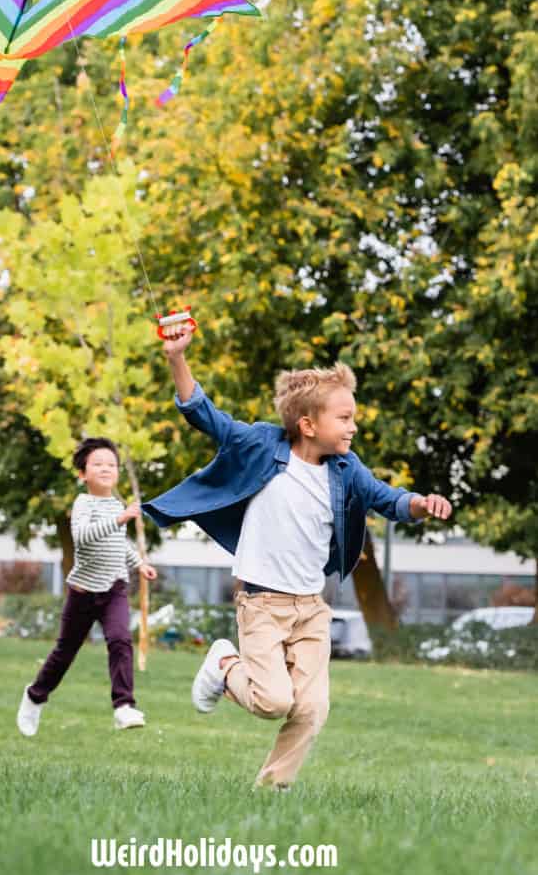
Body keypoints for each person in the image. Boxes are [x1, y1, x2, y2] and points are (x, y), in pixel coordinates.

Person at [143, 326, 452, 790]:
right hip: (261, 603)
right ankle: (224, 666)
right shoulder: (260, 446)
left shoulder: (347, 470)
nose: (354, 426)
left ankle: (271, 789)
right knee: (272, 701)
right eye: (344, 418)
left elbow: (387, 498)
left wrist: (419, 504)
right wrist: (176, 359)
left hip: (310, 607)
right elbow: (205, 415)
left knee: (312, 709)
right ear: (308, 425)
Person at [17, 437, 157, 736]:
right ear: (83, 474)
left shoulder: (116, 505)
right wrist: (120, 519)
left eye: (111, 464)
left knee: (120, 640)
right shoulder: (84, 504)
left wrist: (139, 563)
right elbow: (82, 537)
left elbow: (117, 542)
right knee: (64, 652)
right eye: (98, 464)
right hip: (82, 593)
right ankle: (34, 696)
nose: (106, 468)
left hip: (115, 589)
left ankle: (123, 707)